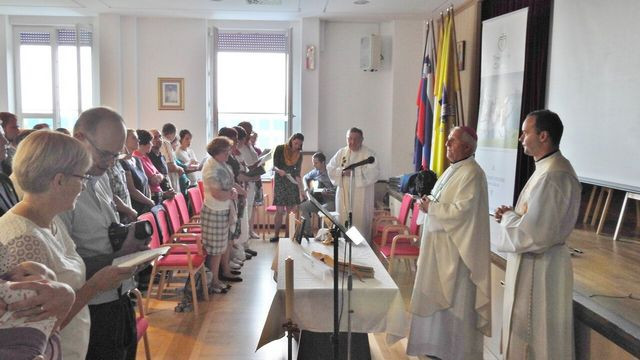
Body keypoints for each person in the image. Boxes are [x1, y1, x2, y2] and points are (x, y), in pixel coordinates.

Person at [0, 130, 136, 360]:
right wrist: (95, 286)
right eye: (81, 177)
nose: (83, 187)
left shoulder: (50, 219)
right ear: (59, 180)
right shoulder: (24, 239)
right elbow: (32, 334)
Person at [59, 107, 149, 360]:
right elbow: (63, 267)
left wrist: (130, 242)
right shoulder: (61, 190)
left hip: (119, 296)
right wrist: (123, 253)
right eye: (105, 154)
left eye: (116, 155)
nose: (110, 162)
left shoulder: (101, 178)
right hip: (88, 307)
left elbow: (106, 233)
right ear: (80, 139)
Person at [494, 110, 581, 360]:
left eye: (525, 131)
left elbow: (535, 233)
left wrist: (509, 218)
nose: (520, 137)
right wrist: (514, 214)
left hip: (542, 269)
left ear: (543, 136)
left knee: (540, 340)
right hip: (536, 263)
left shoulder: (555, 175)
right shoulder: (546, 169)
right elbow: (535, 218)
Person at [406, 126, 491, 359]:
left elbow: (463, 212)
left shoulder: (472, 173)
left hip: (457, 256)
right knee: (439, 310)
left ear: (467, 146)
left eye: (451, 141)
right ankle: (436, 349)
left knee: (455, 307)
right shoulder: (452, 171)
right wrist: (428, 202)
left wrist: (431, 207)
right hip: (439, 250)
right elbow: (439, 200)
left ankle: (454, 353)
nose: (446, 145)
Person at [0, 262, 74, 360]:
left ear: (47, 284)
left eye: (26, 275)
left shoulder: (38, 295)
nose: (13, 278)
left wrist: (67, 292)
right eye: (8, 276)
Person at [201, 136, 243, 293]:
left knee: (222, 245)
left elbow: (229, 183)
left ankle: (219, 276)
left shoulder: (220, 163)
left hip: (223, 209)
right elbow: (216, 193)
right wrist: (231, 194)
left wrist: (233, 191)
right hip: (214, 211)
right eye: (226, 152)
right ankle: (214, 282)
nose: (228, 155)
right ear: (217, 151)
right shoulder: (211, 167)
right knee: (216, 249)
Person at [327, 127, 380, 239]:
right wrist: (341, 172)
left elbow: (374, 173)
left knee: (359, 222)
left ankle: (360, 251)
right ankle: (344, 248)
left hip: (361, 196)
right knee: (343, 220)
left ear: (362, 140)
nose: (352, 142)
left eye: (356, 139)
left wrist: (355, 173)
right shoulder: (342, 152)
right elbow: (330, 168)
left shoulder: (369, 155)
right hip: (343, 195)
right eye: (349, 138)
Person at [270, 133, 305, 242]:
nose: (297, 146)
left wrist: (302, 189)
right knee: (279, 211)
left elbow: (298, 173)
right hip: (280, 182)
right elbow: (273, 166)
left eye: (299, 145)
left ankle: (287, 236)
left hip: (292, 183)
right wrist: (279, 170)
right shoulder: (280, 149)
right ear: (291, 140)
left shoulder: (299, 154)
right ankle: (276, 235)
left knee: (291, 213)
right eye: (295, 143)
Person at [133, 129, 175, 204]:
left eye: (160, 137)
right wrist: (158, 176)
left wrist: (158, 175)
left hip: (160, 195)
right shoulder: (137, 158)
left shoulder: (145, 157)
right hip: (152, 198)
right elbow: (154, 181)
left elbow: (159, 174)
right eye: (150, 142)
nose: (152, 144)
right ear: (143, 143)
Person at [299, 152, 335, 236]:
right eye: (313, 163)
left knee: (324, 210)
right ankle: (308, 234)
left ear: (323, 162)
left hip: (329, 201)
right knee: (303, 206)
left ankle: (327, 236)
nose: (314, 165)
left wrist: (328, 192)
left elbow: (337, 189)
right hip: (317, 200)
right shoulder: (315, 172)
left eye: (316, 163)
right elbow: (304, 177)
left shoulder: (331, 172)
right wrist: (306, 187)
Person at [121, 129, 155, 214]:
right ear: (124, 140)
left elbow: (146, 182)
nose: (138, 140)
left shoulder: (137, 160)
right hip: (136, 208)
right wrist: (149, 202)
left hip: (146, 205)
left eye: (138, 138)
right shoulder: (122, 162)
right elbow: (132, 190)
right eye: (134, 138)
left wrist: (149, 200)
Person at [159, 123, 185, 193]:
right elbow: (170, 166)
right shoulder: (165, 143)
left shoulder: (161, 142)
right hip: (170, 179)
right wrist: (180, 168)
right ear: (172, 133)